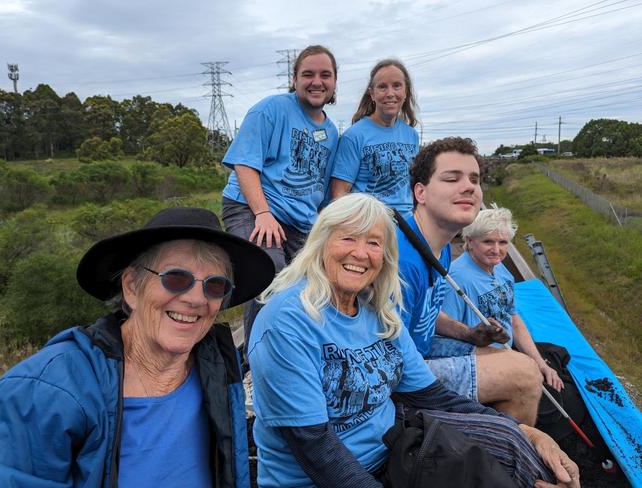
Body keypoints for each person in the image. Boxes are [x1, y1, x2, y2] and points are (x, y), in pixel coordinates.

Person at [248, 193, 578, 488]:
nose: (361, 253)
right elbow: (315, 447)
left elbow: (434, 397)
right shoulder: (288, 322)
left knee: (515, 447)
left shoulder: (377, 311)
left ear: (385, 257)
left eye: (374, 243)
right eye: (347, 238)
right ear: (320, 244)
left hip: (394, 451)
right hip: (328, 476)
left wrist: (525, 431)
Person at [0, 207, 275, 487]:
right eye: (176, 278)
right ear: (131, 286)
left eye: (215, 286)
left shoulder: (217, 363)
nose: (196, 299)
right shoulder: (45, 390)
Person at [398, 137, 544, 425]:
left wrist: (468, 334)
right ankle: (513, 446)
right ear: (421, 192)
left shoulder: (439, 250)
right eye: (452, 178)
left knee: (503, 355)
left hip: (421, 349)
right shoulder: (402, 259)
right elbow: (387, 357)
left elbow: (424, 312)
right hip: (402, 377)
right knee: (525, 375)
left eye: (474, 180)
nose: (468, 186)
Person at [221, 45, 339, 348]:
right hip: (253, 206)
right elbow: (245, 163)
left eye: (325, 75)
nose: (317, 81)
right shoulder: (271, 109)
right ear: (295, 79)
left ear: (335, 81)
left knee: (313, 282)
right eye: (308, 74)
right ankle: (259, 353)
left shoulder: (332, 132)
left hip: (299, 221)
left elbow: (322, 191)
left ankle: (295, 345)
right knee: (269, 273)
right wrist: (263, 213)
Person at [441, 206, 564, 391]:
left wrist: (539, 363)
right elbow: (447, 338)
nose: (496, 250)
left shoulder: (501, 270)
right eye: (488, 242)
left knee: (557, 358)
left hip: (507, 351)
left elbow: (513, 319)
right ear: (470, 241)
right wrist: (516, 363)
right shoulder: (456, 281)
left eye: (503, 242)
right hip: (481, 363)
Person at [330, 59, 419, 217]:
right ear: (372, 93)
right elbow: (339, 194)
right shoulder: (354, 136)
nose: (390, 93)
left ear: (406, 93)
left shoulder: (411, 135)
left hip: (407, 224)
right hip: (370, 222)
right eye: (382, 87)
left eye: (397, 86)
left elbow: (414, 187)